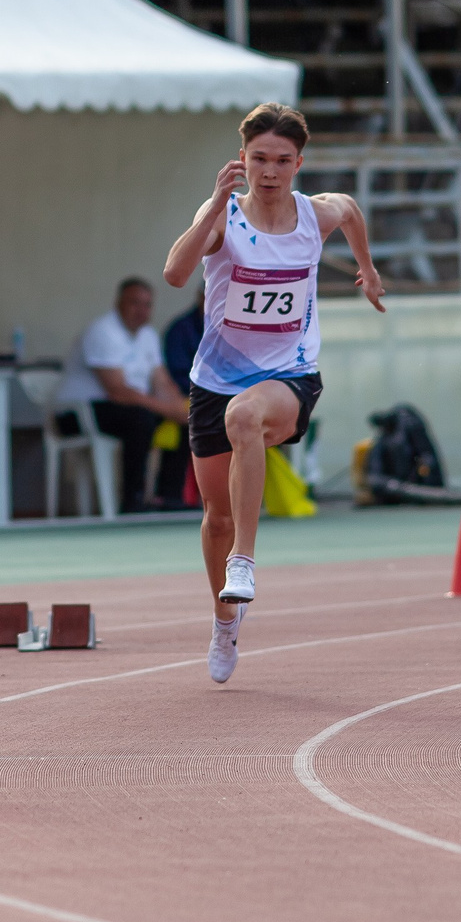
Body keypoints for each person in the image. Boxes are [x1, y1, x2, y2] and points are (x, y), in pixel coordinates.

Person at [162, 103, 384, 686]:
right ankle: (223, 622)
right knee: (215, 517)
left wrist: (367, 269)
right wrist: (212, 204)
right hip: (214, 379)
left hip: (290, 375)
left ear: (298, 164)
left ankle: (246, 561)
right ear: (243, 160)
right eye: (259, 158)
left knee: (247, 418)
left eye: (282, 161)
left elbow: (353, 210)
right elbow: (175, 275)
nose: (270, 171)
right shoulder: (223, 218)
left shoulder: (315, 215)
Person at [57, 277, 194, 513]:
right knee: (141, 419)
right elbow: (118, 391)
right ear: (119, 303)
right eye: (134, 303)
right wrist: (166, 409)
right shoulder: (103, 331)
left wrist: (181, 408)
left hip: (123, 408)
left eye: (147, 305)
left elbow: (162, 383)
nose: (141, 311)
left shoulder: (147, 336)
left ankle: (168, 497)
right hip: (78, 412)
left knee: (186, 420)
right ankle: (133, 500)